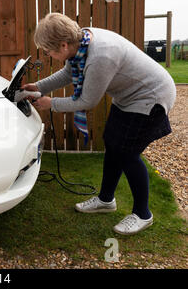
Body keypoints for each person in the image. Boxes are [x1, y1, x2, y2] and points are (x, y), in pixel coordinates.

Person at [22, 13, 176, 235]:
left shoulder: (101, 56)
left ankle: (143, 214)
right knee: (112, 144)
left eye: (48, 51)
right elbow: (67, 73)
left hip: (151, 96)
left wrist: (50, 103)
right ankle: (106, 200)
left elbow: (87, 101)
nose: (48, 55)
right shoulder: (81, 42)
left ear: (63, 45)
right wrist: (38, 86)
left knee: (128, 154)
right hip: (128, 96)